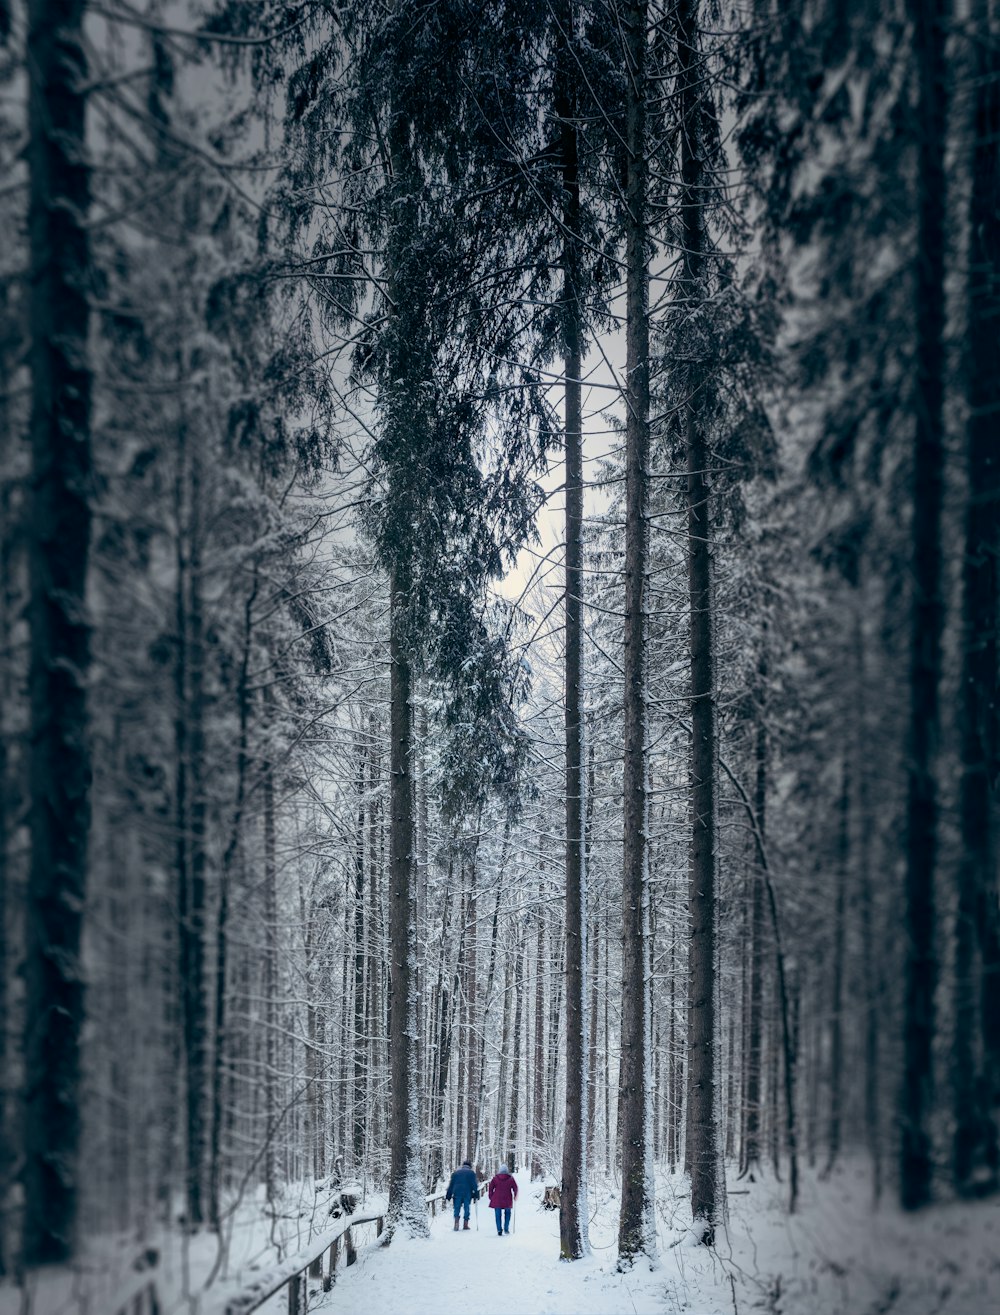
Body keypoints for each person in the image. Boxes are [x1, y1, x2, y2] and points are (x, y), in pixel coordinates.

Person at [445, 1159, 479, 1230]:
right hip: (467, 1193)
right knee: (466, 1207)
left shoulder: (456, 1173)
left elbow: (451, 1184)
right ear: (470, 1166)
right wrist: (476, 1194)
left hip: (457, 1192)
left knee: (457, 1207)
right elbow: (474, 1185)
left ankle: (456, 1223)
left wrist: (448, 1194)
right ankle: (465, 1224)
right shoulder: (471, 1173)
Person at [486, 1163, 518, 1236]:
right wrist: (515, 1195)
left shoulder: (495, 1178)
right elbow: (515, 1188)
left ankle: (499, 1230)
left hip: (497, 1199)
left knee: (498, 1215)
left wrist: (491, 1197)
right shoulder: (511, 1178)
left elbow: (490, 1188)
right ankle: (506, 1229)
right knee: (507, 1214)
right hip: (507, 1199)